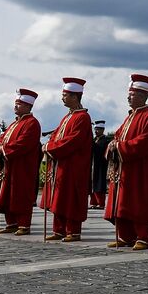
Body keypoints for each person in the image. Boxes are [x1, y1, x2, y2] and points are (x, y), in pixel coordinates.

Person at [103, 74, 148, 250]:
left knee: (138, 203)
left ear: (143, 96)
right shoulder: (129, 117)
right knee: (123, 203)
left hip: (140, 170)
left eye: (132, 94)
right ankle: (125, 236)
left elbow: (144, 142)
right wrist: (113, 145)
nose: (128, 97)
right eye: (129, 94)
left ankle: (143, 237)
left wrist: (120, 147)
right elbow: (117, 136)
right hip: (125, 169)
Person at [41, 77, 94, 242]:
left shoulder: (83, 118)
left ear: (74, 96)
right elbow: (56, 136)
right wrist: (50, 143)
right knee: (59, 197)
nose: (62, 98)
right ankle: (59, 229)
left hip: (74, 166)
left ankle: (73, 231)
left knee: (71, 197)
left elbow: (72, 140)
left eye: (65, 95)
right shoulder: (67, 117)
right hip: (61, 165)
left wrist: (50, 147)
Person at [0, 89, 42, 234]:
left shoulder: (32, 123)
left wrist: (3, 149)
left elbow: (23, 143)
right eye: (15, 103)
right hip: (8, 166)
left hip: (22, 167)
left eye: (19, 104)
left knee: (20, 195)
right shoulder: (13, 124)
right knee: (8, 195)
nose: (15, 106)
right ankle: (11, 223)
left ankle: (24, 225)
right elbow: (1, 139)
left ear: (27, 106)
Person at [89, 120, 109, 210]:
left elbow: (100, 151)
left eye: (98, 129)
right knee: (92, 183)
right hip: (93, 164)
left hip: (101, 165)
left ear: (102, 130)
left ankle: (100, 203)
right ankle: (93, 202)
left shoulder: (105, 140)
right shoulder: (94, 140)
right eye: (95, 129)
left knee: (100, 184)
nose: (96, 131)